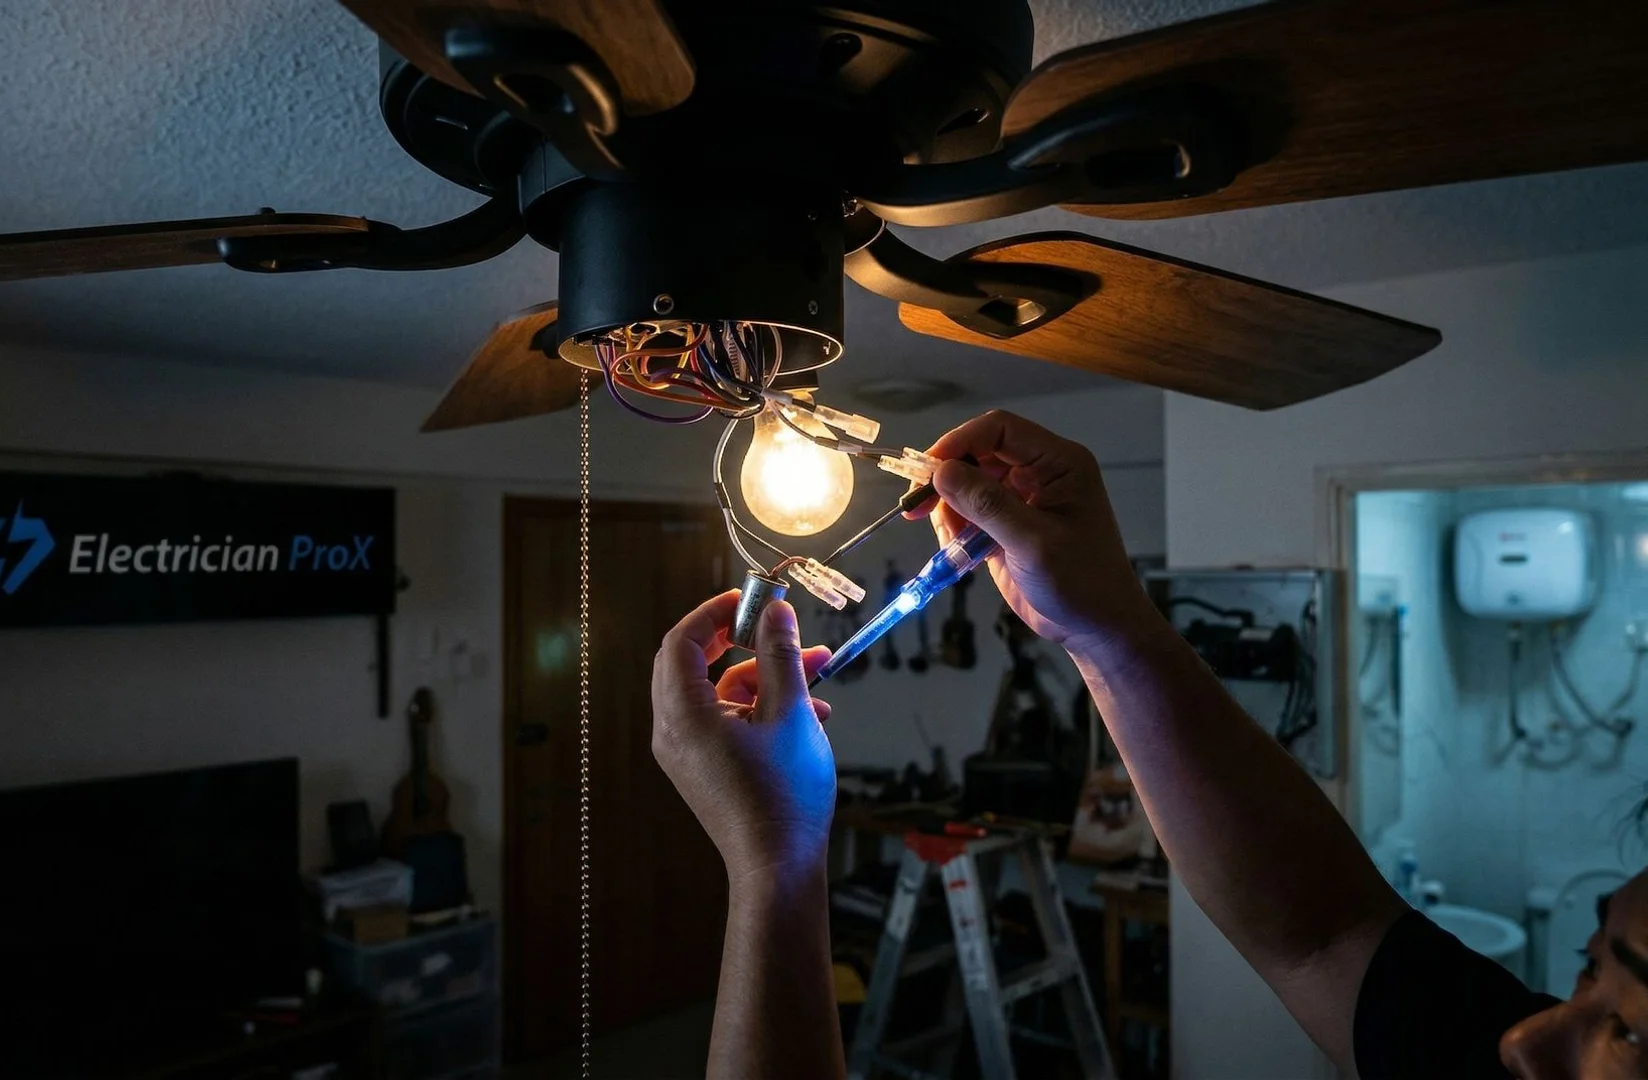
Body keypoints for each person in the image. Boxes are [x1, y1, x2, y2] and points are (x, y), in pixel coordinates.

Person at [650, 409, 1648, 1079]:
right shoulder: (1489, 1052)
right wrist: (1104, 623)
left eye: (1633, 1028)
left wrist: (774, 864)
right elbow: (1322, 932)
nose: (1529, 1043)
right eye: (1588, 968)